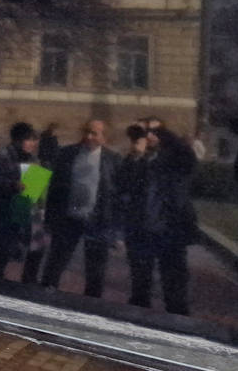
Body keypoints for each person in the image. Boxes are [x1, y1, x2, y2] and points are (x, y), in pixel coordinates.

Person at [118, 122, 198, 315]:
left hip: (169, 229)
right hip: (141, 229)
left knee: (174, 285)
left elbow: (188, 160)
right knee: (140, 284)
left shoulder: (175, 158)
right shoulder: (137, 158)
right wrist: (135, 156)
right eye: (146, 133)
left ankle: (177, 322)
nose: (149, 136)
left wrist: (162, 131)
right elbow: (121, 184)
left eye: (154, 133)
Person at [40, 120, 120, 298]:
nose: (88, 137)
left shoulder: (113, 160)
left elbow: (117, 196)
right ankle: (44, 300)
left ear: (105, 137)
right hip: (68, 218)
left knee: (95, 272)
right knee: (55, 264)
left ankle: (91, 306)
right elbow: (55, 189)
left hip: (97, 221)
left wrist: (115, 229)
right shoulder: (67, 154)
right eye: (86, 132)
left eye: (94, 133)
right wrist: (50, 219)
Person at [0, 122, 42, 281]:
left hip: (26, 209)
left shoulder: (34, 159)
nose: (32, 143)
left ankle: (28, 282)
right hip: (4, 210)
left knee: (38, 246)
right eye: (28, 139)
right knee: (2, 251)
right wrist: (12, 185)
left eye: (34, 140)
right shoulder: (1, 156)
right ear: (17, 140)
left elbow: (35, 192)